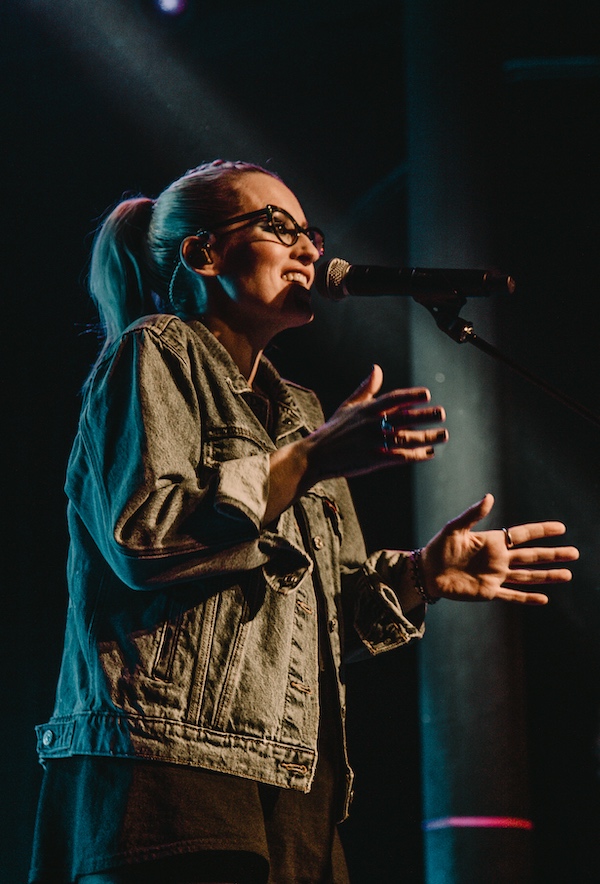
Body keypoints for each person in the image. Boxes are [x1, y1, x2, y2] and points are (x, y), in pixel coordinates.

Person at [29, 159, 578, 884]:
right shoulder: (155, 350)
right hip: (170, 766)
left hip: (296, 782)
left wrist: (422, 575)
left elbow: (323, 619)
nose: (311, 249)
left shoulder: (300, 409)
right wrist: (305, 464)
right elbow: (146, 537)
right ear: (202, 253)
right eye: (276, 227)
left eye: (310, 232)